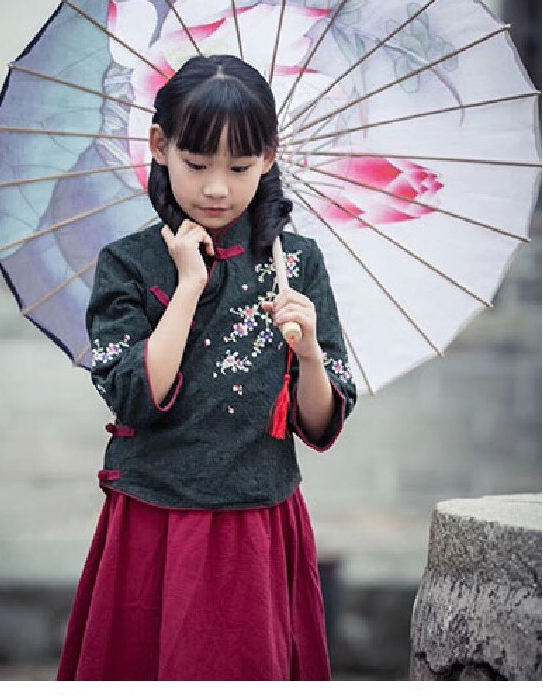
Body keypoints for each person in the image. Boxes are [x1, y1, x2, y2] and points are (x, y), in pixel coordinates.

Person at [57, 54, 358, 680]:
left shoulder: (296, 265)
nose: (216, 187)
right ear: (161, 148)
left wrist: (307, 356)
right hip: (156, 520)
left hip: (259, 519)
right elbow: (135, 396)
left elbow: (321, 425)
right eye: (197, 165)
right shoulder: (130, 264)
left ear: (269, 159)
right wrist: (190, 285)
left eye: (240, 167)